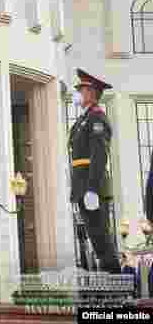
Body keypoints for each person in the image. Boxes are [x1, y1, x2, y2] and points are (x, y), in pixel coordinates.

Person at [69, 68, 121, 274]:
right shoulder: (84, 119)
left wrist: (91, 189)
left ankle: (119, 292)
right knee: (97, 244)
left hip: (93, 189)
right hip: (83, 188)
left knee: (102, 242)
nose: (78, 93)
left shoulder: (97, 118)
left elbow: (99, 156)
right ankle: (111, 288)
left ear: (91, 93)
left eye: (81, 89)